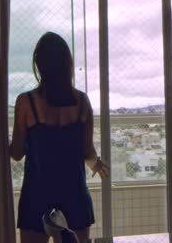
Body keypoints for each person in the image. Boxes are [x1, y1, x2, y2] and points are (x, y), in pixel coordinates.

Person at [9, 32, 110, 243]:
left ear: (39, 64)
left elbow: (17, 153)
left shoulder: (26, 102)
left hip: (36, 194)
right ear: (68, 64)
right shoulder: (82, 102)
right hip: (74, 193)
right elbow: (87, 152)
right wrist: (96, 165)